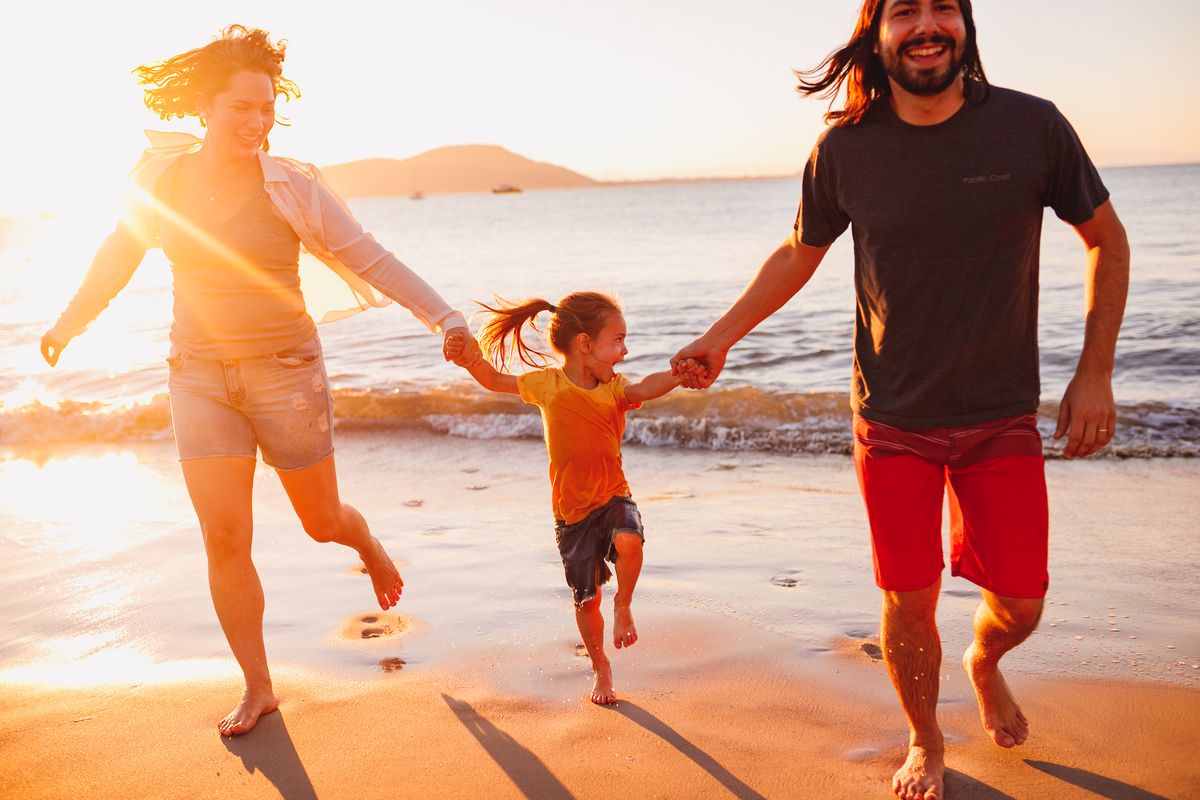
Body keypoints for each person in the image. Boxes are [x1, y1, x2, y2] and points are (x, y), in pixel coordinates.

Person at [670, 1, 1129, 798]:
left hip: (1000, 416)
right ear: (877, 33)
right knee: (907, 598)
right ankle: (925, 740)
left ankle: (984, 665)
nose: (927, 24)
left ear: (965, 26)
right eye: (905, 9)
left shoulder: (1032, 127)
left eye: (943, 7)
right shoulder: (846, 147)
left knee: (1021, 603)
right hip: (892, 420)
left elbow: (1106, 240)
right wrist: (720, 337)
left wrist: (1095, 372)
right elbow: (798, 250)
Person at [39, 25, 482, 737]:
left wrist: (445, 317)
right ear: (206, 108)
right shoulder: (159, 178)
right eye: (242, 108)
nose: (257, 121)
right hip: (198, 375)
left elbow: (372, 257)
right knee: (224, 537)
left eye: (266, 107)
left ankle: (366, 544)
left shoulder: (293, 185)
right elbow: (117, 254)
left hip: (287, 374)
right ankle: (259, 687)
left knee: (321, 523)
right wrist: (69, 324)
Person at [448, 291, 698, 704]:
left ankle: (625, 605)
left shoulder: (615, 388)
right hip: (571, 514)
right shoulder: (546, 385)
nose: (625, 349)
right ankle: (601, 666)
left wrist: (676, 374)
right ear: (585, 344)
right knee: (586, 599)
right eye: (616, 340)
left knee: (629, 541)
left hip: (613, 495)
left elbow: (647, 387)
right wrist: (470, 358)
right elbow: (494, 381)